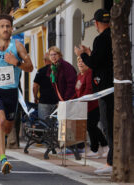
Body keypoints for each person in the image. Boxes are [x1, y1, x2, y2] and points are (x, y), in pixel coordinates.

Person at [0, 14, 33, 174]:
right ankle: (3, 159)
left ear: (12, 28)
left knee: (7, 127)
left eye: (8, 26)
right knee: (0, 121)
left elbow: (30, 67)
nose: (5, 29)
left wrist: (15, 62)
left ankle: (5, 143)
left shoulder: (17, 46)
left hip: (12, 93)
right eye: (2, 26)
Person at [74, 9, 113, 175]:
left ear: (96, 23)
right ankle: (112, 159)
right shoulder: (115, 36)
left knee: (107, 125)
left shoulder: (100, 39)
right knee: (110, 125)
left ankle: (111, 162)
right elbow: (102, 59)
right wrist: (90, 53)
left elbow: (95, 63)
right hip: (113, 85)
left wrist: (82, 54)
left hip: (104, 88)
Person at [75, 57, 108, 158]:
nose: (80, 63)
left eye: (83, 61)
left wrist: (80, 101)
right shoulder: (79, 75)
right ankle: (98, 148)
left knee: (91, 126)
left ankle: (102, 146)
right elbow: (77, 90)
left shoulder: (89, 73)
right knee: (90, 127)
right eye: (79, 62)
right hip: (83, 106)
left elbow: (89, 90)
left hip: (92, 105)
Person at [33, 52, 58, 120]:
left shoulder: (41, 71)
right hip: (56, 102)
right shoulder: (57, 70)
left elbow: (35, 86)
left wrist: (35, 97)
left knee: (43, 124)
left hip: (44, 102)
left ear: (45, 60)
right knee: (55, 124)